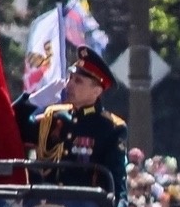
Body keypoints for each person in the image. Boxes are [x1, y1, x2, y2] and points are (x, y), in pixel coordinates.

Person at [18, 46, 127, 198]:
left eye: (78, 81)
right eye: (70, 77)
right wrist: (31, 102)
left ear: (97, 91)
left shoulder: (110, 127)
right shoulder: (53, 116)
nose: (69, 84)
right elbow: (13, 129)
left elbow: (116, 181)